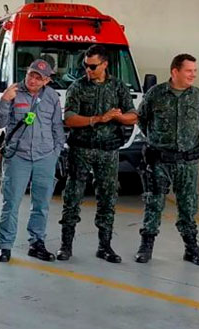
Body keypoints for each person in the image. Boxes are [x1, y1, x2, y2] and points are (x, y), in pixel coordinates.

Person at [57, 44, 138, 263]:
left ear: (104, 64)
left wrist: (117, 117)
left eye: (93, 66)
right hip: (81, 149)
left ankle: (105, 246)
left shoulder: (118, 87)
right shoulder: (77, 87)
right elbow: (70, 118)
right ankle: (66, 246)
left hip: (108, 151)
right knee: (72, 196)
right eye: (85, 66)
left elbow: (133, 115)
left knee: (107, 199)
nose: (88, 70)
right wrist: (98, 118)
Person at [135, 54, 199, 266]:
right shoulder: (155, 94)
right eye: (189, 71)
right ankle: (146, 245)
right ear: (175, 71)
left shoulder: (198, 96)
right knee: (154, 203)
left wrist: (187, 143)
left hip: (187, 162)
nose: (193, 75)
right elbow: (142, 119)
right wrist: (157, 141)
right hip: (160, 161)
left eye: (195, 71)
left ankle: (191, 248)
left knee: (188, 205)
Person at [0, 59, 65, 263]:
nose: (33, 80)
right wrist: (5, 100)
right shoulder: (14, 92)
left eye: (39, 78)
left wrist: (56, 152)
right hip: (19, 156)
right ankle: (5, 246)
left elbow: (56, 126)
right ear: (26, 72)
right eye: (31, 75)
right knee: (11, 202)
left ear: (47, 80)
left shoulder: (51, 97)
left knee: (41, 204)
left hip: (45, 156)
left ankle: (37, 243)